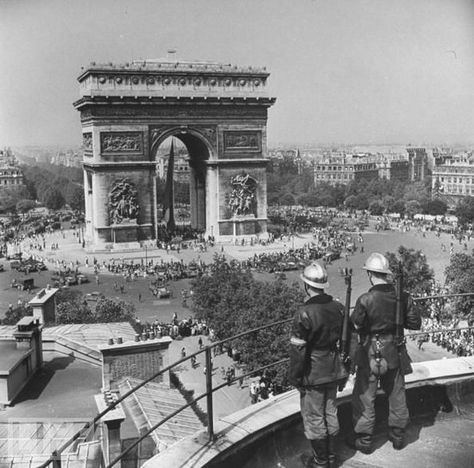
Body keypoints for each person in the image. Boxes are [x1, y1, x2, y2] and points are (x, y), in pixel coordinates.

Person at [348, 253, 421, 454]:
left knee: (365, 397)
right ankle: (398, 437)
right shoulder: (403, 296)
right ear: (386, 274)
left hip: (369, 352)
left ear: (371, 274)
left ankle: (364, 440)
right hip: (395, 351)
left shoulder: (365, 299)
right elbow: (415, 323)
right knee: (397, 395)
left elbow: (355, 326)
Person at [289, 262, 348, 468]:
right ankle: (331, 456)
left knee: (314, 418)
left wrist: (295, 377)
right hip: (334, 368)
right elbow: (348, 340)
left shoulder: (303, 312)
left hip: (312, 372)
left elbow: (298, 351)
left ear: (306, 286)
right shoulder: (339, 307)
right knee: (331, 413)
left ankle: (320, 462)